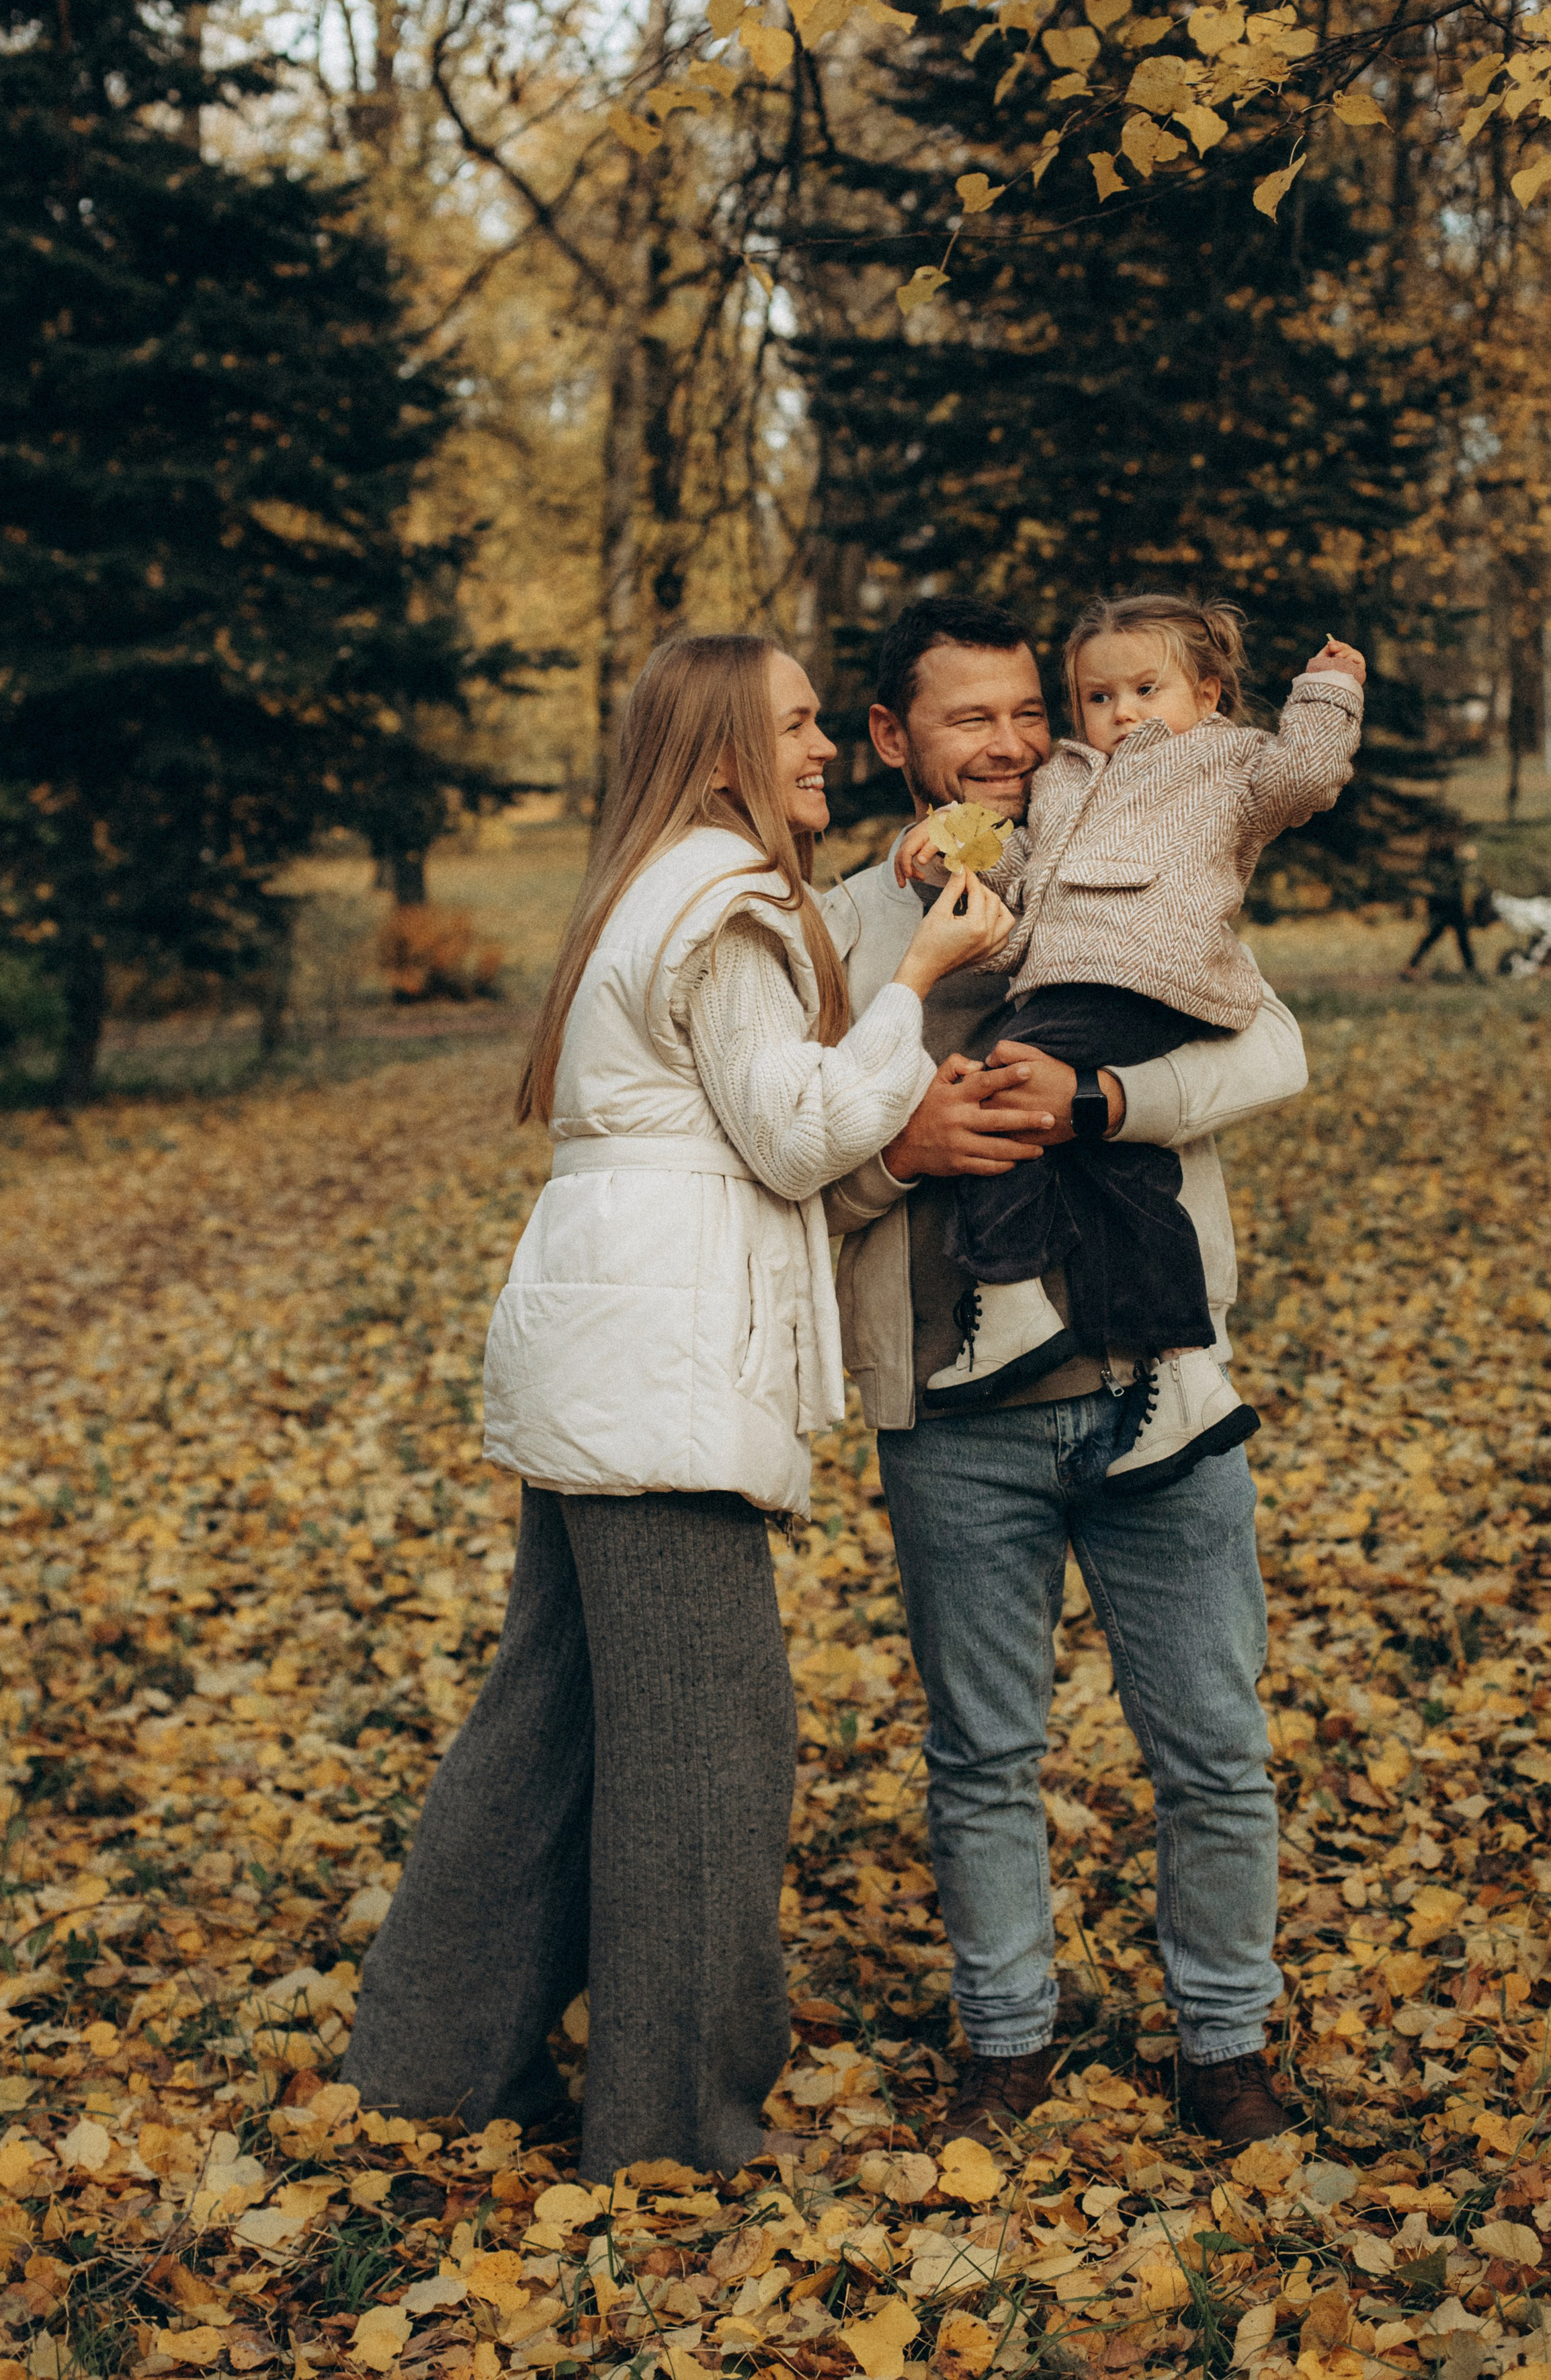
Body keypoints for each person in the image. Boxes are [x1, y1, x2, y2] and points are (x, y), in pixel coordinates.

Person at [341, 630, 1015, 2181]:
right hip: (657, 1361)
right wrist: (914, 983)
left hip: (601, 1337)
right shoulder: (727, 900)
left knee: (550, 1717)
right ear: (720, 750)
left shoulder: (651, 885)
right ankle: (672, 2135)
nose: (822, 749)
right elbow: (795, 1133)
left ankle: (428, 2071)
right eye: (795, 724)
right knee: (715, 1744)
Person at [821, 597, 1310, 2151]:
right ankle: (1005, 2043)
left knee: (1213, 1749)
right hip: (951, 1414)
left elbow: (1270, 1053)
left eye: (1029, 711)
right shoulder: (838, 929)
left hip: (1161, 1386)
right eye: (969, 717)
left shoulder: (1135, 857)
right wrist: (899, 1153)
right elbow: (776, 1173)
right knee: (982, 1754)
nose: (1012, 742)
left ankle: (1224, 2046)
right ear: (891, 738)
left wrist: (1097, 1099)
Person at [900, 593, 1363, 1494]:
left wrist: (1328, 692)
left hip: (1143, 975)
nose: (1121, 715)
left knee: (1000, 1090)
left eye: (1147, 690)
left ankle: (1011, 1298)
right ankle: (1183, 1375)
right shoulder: (1063, 781)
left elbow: (1306, 780)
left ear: (1209, 693)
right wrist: (954, 837)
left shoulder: (1226, 760)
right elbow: (1020, 881)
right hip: (1063, 974)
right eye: (1098, 698)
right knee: (1125, 1176)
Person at [1400, 835, 1486, 981]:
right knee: (1440, 936)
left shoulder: (1448, 860)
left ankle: (1471, 969)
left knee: (1457, 937)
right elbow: (1444, 879)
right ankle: (1412, 966)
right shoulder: (1437, 862)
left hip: (1452, 903)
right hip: (1443, 904)